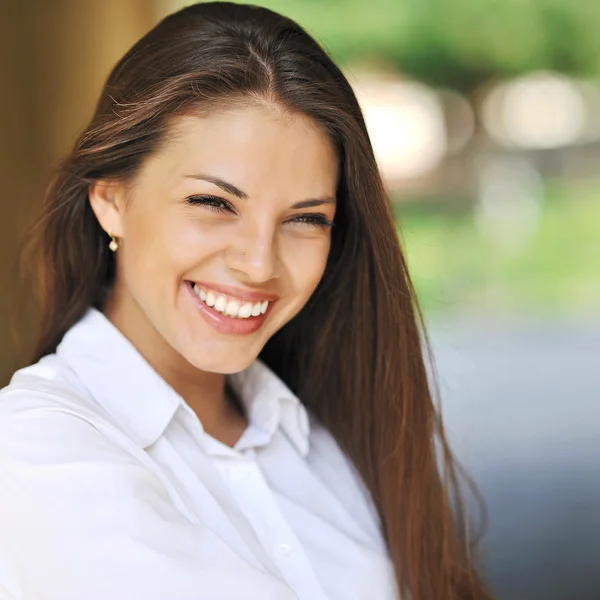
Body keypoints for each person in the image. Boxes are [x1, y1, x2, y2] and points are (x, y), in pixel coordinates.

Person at [0, 3, 492, 599]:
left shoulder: (323, 436)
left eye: (306, 218)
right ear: (111, 199)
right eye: (213, 203)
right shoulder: (34, 453)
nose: (259, 264)